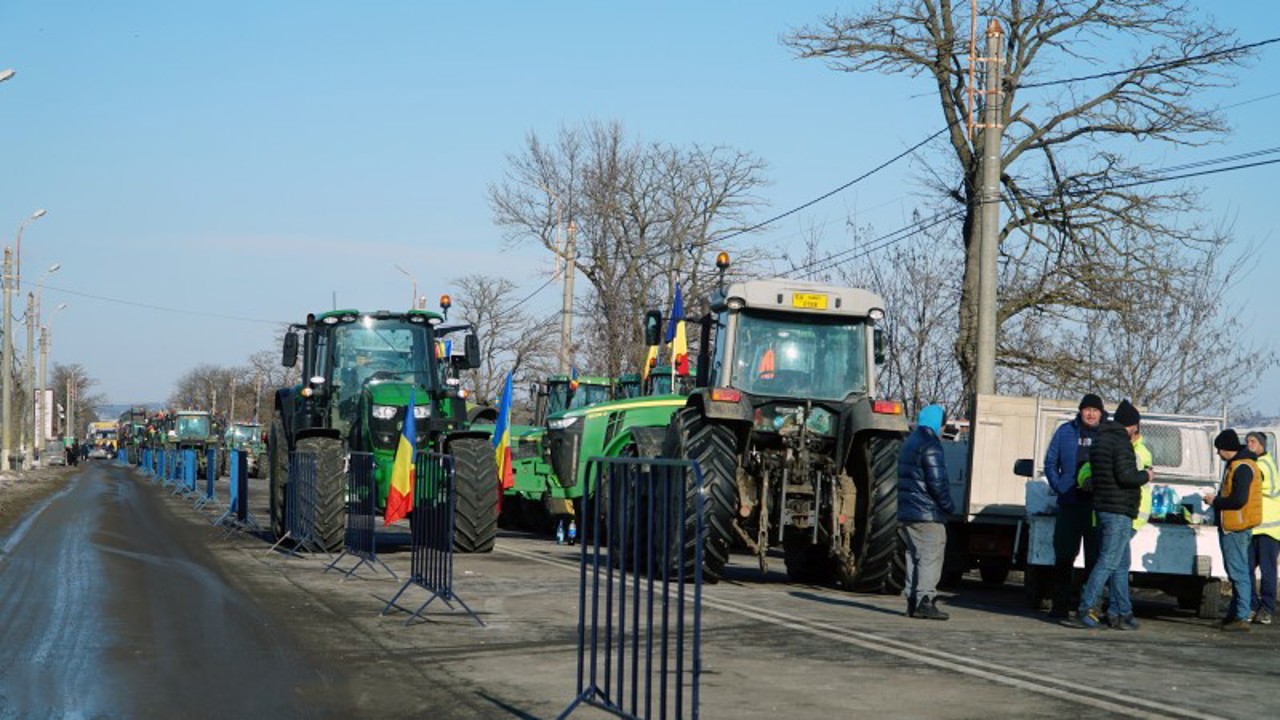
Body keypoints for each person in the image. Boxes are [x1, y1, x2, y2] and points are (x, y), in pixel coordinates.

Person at [1069, 399, 1151, 630]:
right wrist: (1146, 475)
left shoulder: (1099, 441)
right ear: (1132, 425)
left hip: (1104, 508)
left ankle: (1123, 612)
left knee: (1121, 564)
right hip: (1119, 510)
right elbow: (1126, 476)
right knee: (1108, 561)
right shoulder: (1121, 444)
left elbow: (1097, 475)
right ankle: (1085, 607)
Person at [1043, 393, 1105, 618]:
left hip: (1097, 507)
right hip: (1069, 504)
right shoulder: (1065, 431)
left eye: (1095, 410)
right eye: (1086, 409)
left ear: (1101, 413)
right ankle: (1060, 605)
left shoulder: (1107, 434)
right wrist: (1060, 486)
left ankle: (1090, 608)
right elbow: (1050, 462)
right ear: (1080, 411)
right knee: (1064, 556)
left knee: (1095, 559)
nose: (1090, 413)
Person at [897, 404, 956, 620]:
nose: (943, 430)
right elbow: (937, 482)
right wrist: (948, 506)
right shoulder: (931, 445)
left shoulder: (909, 442)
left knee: (914, 556)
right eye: (943, 425)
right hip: (926, 512)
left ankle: (912, 601)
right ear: (937, 423)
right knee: (931, 555)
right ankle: (925, 600)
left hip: (907, 511)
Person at [1205, 430, 1262, 631]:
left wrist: (1216, 501)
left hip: (1235, 526)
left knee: (1238, 572)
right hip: (1236, 525)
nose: (1218, 455)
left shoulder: (1241, 467)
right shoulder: (1243, 464)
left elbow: (1238, 499)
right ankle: (1234, 614)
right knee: (1236, 571)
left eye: (1219, 451)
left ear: (1223, 449)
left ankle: (1241, 615)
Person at [1246, 431, 1279, 624]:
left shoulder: (1264, 464)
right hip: (1253, 527)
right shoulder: (1254, 463)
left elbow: (1272, 488)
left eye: (1253, 442)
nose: (1249, 444)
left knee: (1267, 571)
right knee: (1247, 569)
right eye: (1247, 441)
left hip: (1268, 529)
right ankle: (1250, 605)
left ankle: (1266, 608)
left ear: (1262, 445)